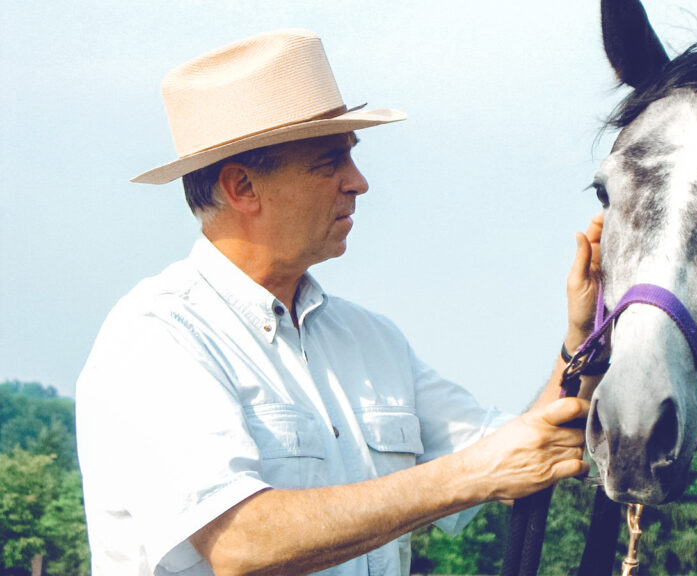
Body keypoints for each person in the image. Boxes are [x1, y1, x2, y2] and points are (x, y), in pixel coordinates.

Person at [76, 29, 604, 576]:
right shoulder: (156, 336)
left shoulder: (372, 340)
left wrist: (588, 335)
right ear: (242, 187)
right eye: (329, 161)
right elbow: (241, 543)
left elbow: (525, 458)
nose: (359, 182)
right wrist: (474, 474)